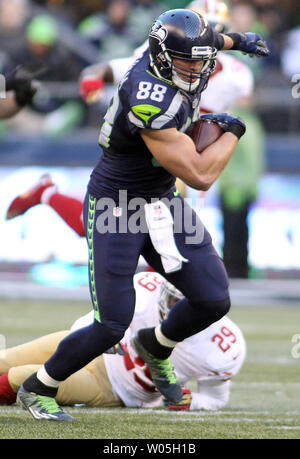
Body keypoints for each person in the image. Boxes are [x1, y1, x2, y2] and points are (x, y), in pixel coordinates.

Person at [17, 9, 269, 421]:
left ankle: (156, 344)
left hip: (160, 199)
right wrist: (232, 132)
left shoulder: (170, 55)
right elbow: (201, 175)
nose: (199, 69)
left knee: (212, 297)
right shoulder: (150, 97)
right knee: (111, 325)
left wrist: (237, 40)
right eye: (190, 62)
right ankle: (38, 386)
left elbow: (207, 43)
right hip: (117, 205)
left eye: (201, 61)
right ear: (165, 58)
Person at [6, 1, 255, 234]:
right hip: (144, 153)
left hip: (183, 153)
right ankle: (48, 194)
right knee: (105, 226)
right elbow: (114, 69)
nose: (198, 49)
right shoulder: (155, 59)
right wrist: (95, 76)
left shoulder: (237, 76)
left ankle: (48, 194)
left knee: (165, 230)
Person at [0, 272, 246, 411]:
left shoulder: (223, 347)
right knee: (5, 359)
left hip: (111, 386)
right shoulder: (147, 290)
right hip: (87, 346)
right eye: (174, 301)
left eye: (187, 306)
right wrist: (97, 338)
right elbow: (94, 321)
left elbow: (215, 399)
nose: (177, 312)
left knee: (20, 377)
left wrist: (192, 402)